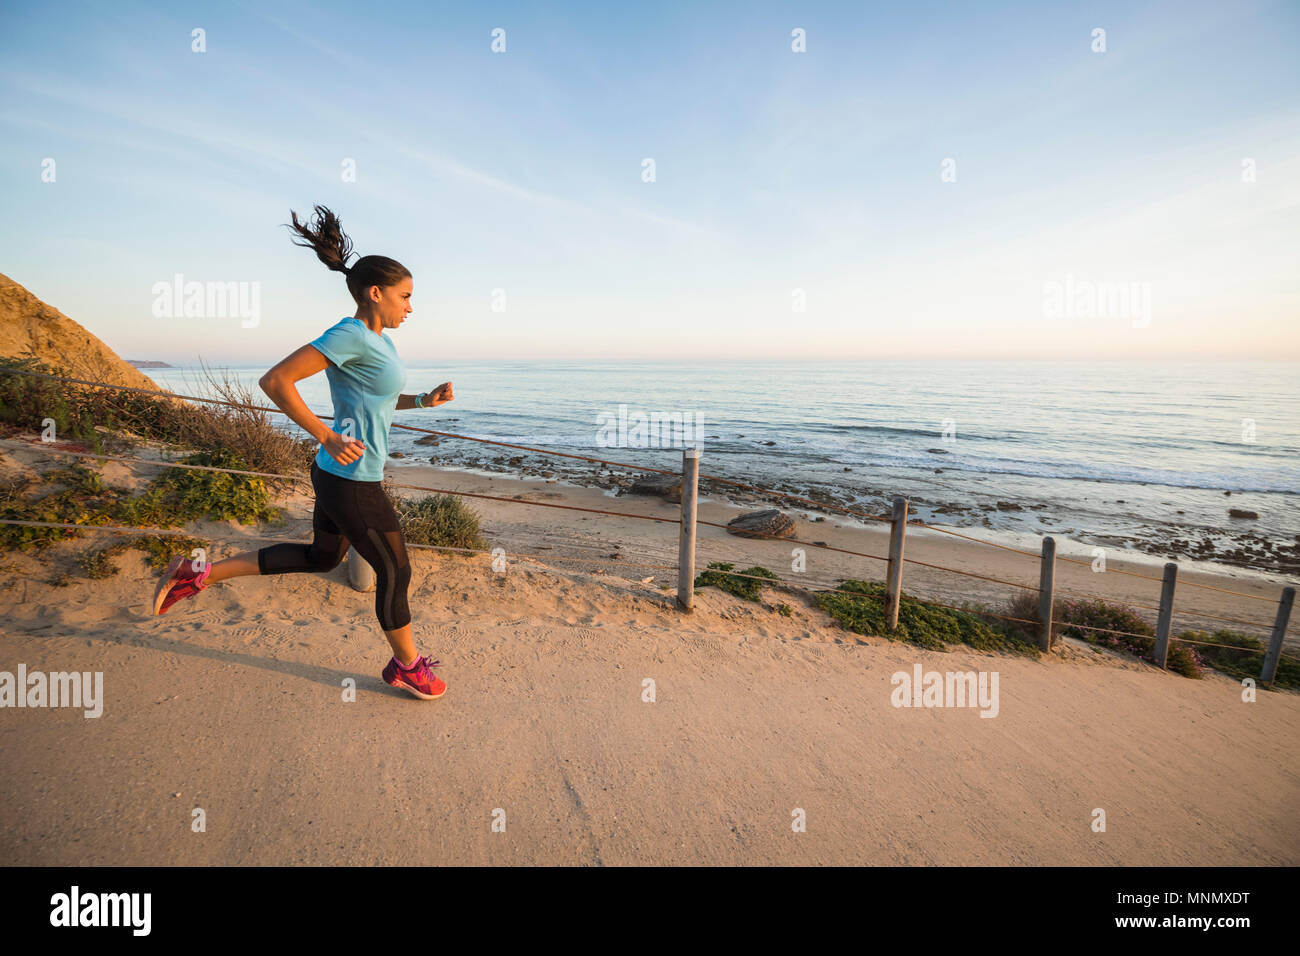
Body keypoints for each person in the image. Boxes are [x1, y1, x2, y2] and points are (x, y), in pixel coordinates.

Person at [151, 205, 454, 701]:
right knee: (397, 570)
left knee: (320, 557)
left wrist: (423, 400)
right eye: (406, 297)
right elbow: (275, 380)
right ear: (375, 294)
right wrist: (325, 434)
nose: (411, 307)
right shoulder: (349, 334)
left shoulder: (376, 341)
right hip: (351, 479)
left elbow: (376, 397)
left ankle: (199, 573)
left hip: (338, 475)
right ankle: (408, 665)